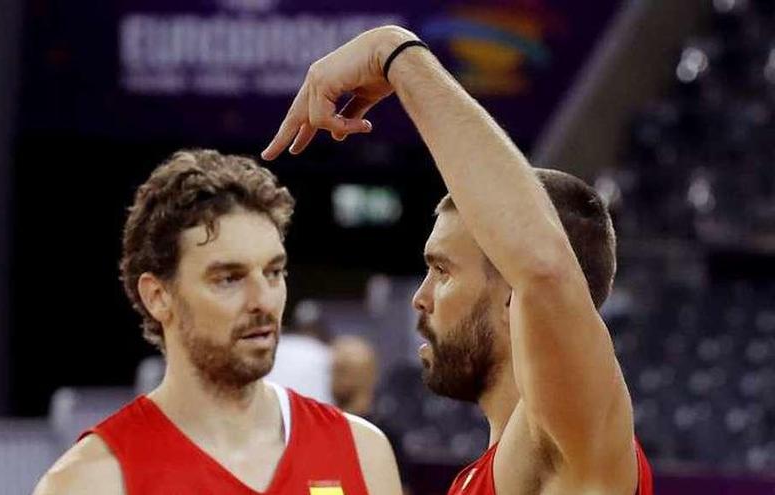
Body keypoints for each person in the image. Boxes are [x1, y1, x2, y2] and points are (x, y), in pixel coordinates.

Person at [262, 25, 654, 495]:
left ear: (515, 297)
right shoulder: (485, 475)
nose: (420, 299)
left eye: (442, 271)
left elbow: (545, 269)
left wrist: (393, 52)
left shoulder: (570, 436)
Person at [33, 150, 402, 494]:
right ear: (158, 297)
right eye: (229, 278)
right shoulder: (91, 481)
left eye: (273, 272)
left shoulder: (361, 451)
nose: (263, 301)